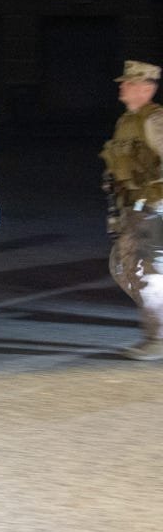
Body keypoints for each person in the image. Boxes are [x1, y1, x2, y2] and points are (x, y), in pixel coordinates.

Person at [100, 60, 163, 361]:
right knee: (122, 268)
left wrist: (155, 201)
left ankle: (157, 337)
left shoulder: (155, 120)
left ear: (147, 88)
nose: (122, 86)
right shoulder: (128, 120)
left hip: (153, 209)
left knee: (147, 273)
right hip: (132, 208)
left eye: (129, 82)